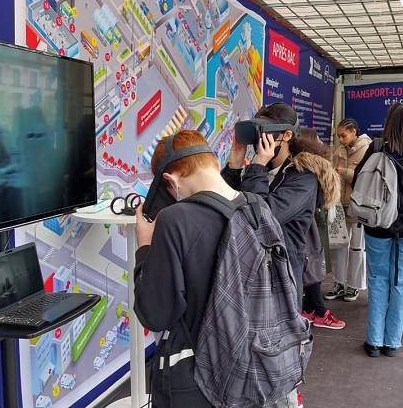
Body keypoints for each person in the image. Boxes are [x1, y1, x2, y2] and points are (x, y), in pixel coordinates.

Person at [133, 130, 299, 407]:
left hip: (199, 378)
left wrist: (145, 247)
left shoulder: (175, 220)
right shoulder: (258, 208)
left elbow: (154, 315)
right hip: (257, 366)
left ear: (170, 180)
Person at [222, 103, 340, 310]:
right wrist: (233, 168)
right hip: (250, 266)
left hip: (280, 272)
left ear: (286, 135)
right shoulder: (262, 171)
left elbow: (259, 218)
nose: (260, 141)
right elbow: (226, 206)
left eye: (266, 131)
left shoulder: (303, 178)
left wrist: (257, 166)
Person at [354, 103, 403, 358]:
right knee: (400, 283)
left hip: (377, 226)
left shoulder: (377, 148)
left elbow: (360, 180)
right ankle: (392, 344)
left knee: (378, 281)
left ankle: (374, 342)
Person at [296, 128, 345, 330]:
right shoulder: (310, 171)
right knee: (312, 265)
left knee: (312, 264)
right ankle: (318, 310)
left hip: (312, 222)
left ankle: (309, 308)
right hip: (310, 223)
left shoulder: (303, 168)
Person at [326, 118, 370, 302]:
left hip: (357, 206)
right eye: (339, 136)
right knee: (340, 246)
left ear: (354, 132)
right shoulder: (340, 151)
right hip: (339, 206)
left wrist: (345, 172)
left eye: (343, 135)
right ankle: (339, 283)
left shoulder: (367, 150)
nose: (341, 140)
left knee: (357, 248)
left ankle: (354, 285)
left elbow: (367, 180)